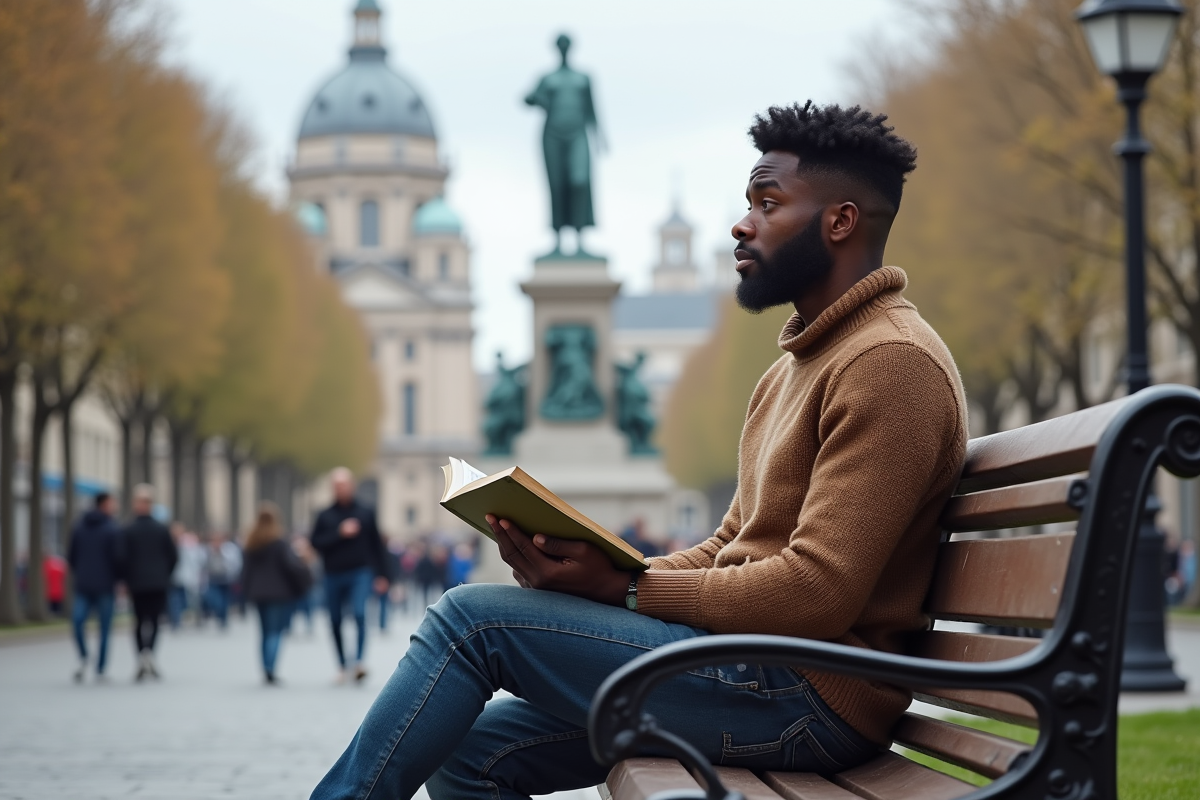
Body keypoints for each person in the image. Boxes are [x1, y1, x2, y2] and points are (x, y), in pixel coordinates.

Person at [311, 102, 968, 800]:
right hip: (755, 669)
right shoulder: (799, 364)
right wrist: (610, 572)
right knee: (469, 750)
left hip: (804, 697)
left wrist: (627, 588)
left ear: (840, 222)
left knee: (472, 621)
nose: (742, 223)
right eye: (747, 202)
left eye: (768, 203)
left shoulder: (890, 363)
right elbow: (728, 544)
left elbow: (815, 591)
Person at [310, 467, 389, 683]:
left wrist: (383, 575)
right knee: (334, 620)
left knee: (360, 613)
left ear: (351, 486)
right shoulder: (324, 515)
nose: (341, 489)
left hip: (360, 572)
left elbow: (377, 545)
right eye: (337, 486)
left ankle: (359, 662)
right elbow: (315, 543)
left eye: (344, 485)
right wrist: (339, 533)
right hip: (332, 574)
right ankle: (343, 665)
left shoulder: (365, 512)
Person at [241, 502, 313, 685]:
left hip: (258, 592)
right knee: (275, 632)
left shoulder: (251, 542)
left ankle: (265, 667)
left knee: (264, 632)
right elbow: (290, 567)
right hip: (278, 592)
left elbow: (245, 571)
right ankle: (271, 669)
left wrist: (244, 591)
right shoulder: (279, 543)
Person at [122, 484, 178, 681]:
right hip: (157, 582)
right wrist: (165, 575)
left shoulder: (128, 529)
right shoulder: (162, 529)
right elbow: (173, 556)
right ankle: (149, 654)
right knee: (153, 621)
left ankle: (142, 656)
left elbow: (122, 557)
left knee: (139, 621)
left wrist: (125, 578)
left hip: (137, 583)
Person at [67, 492, 122, 682]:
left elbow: (71, 556)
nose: (115, 507)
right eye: (112, 503)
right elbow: (118, 559)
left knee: (79, 621)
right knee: (102, 628)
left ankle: (91, 662)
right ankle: (97, 666)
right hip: (101, 586)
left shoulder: (80, 527)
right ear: (104, 504)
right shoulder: (111, 528)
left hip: (88, 584)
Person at [202, 531, 242, 629]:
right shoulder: (208, 549)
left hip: (226, 578)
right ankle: (219, 614)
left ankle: (223, 619)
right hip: (213, 578)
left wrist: (221, 552)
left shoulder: (229, 549)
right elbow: (203, 563)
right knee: (215, 599)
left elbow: (235, 563)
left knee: (225, 600)